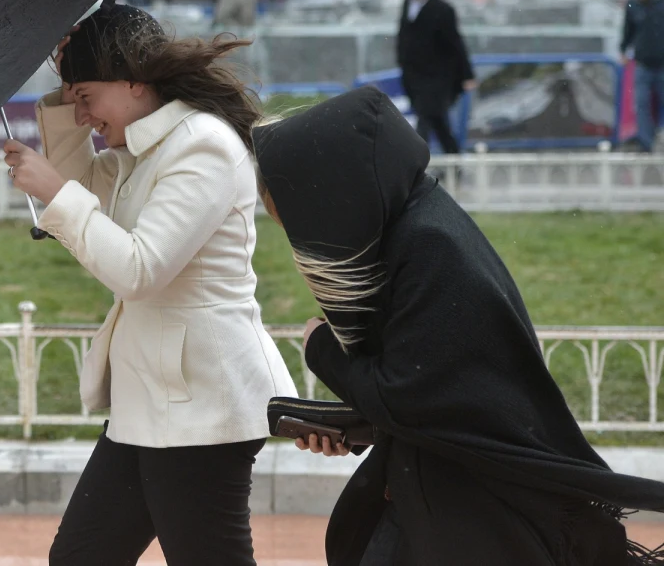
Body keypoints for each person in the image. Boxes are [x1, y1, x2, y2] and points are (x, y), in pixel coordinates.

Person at [253, 87, 664, 566]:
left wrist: (320, 348)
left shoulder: (428, 247)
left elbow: (408, 395)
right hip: (452, 497)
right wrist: (354, 430)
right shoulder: (415, 224)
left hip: (474, 514)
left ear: (335, 197)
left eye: (302, 224)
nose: (308, 244)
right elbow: (441, 398)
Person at [3, 4, 298, 566]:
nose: (83, 115)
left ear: (134, 80)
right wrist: (65, 96)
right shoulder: (144, 147)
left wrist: (56, 193)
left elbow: (139, 269)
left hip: (202, 405)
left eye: (86, 97)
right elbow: (83, 192)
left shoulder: (202, 143)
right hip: (151, 403)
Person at [397, 0, 476, 155]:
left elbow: (455, 43)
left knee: (425, 118)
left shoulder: (443, 9)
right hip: (414, 75)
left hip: (437, 76)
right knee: (438, 122)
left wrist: (467, 74)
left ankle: (416, 161)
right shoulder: (408, 4)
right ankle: (454, 160)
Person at [620, 0, 664, 152]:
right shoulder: (633, 3)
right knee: (642, 104)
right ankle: (646, 143)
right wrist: (623, 50)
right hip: (643, 62)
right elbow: (628, 30)